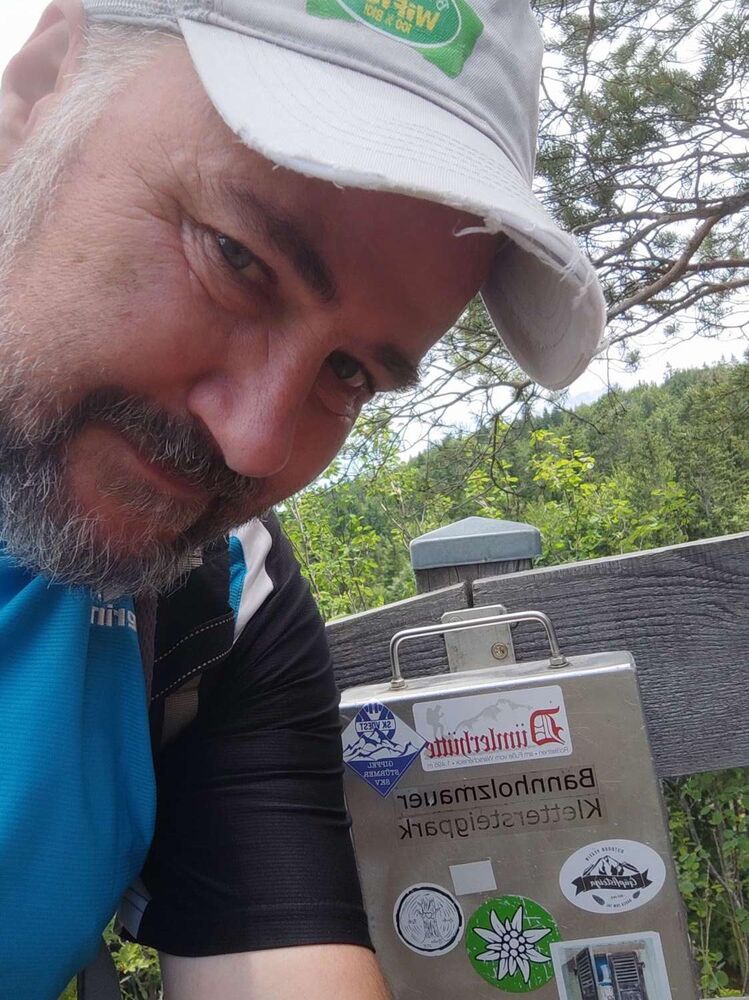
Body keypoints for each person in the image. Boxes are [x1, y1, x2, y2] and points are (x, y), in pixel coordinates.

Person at [0, 0, 605, 997]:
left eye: (350, 373)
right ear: (36, 93)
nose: (255, 441)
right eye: (236, 257)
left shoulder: (215, 599)